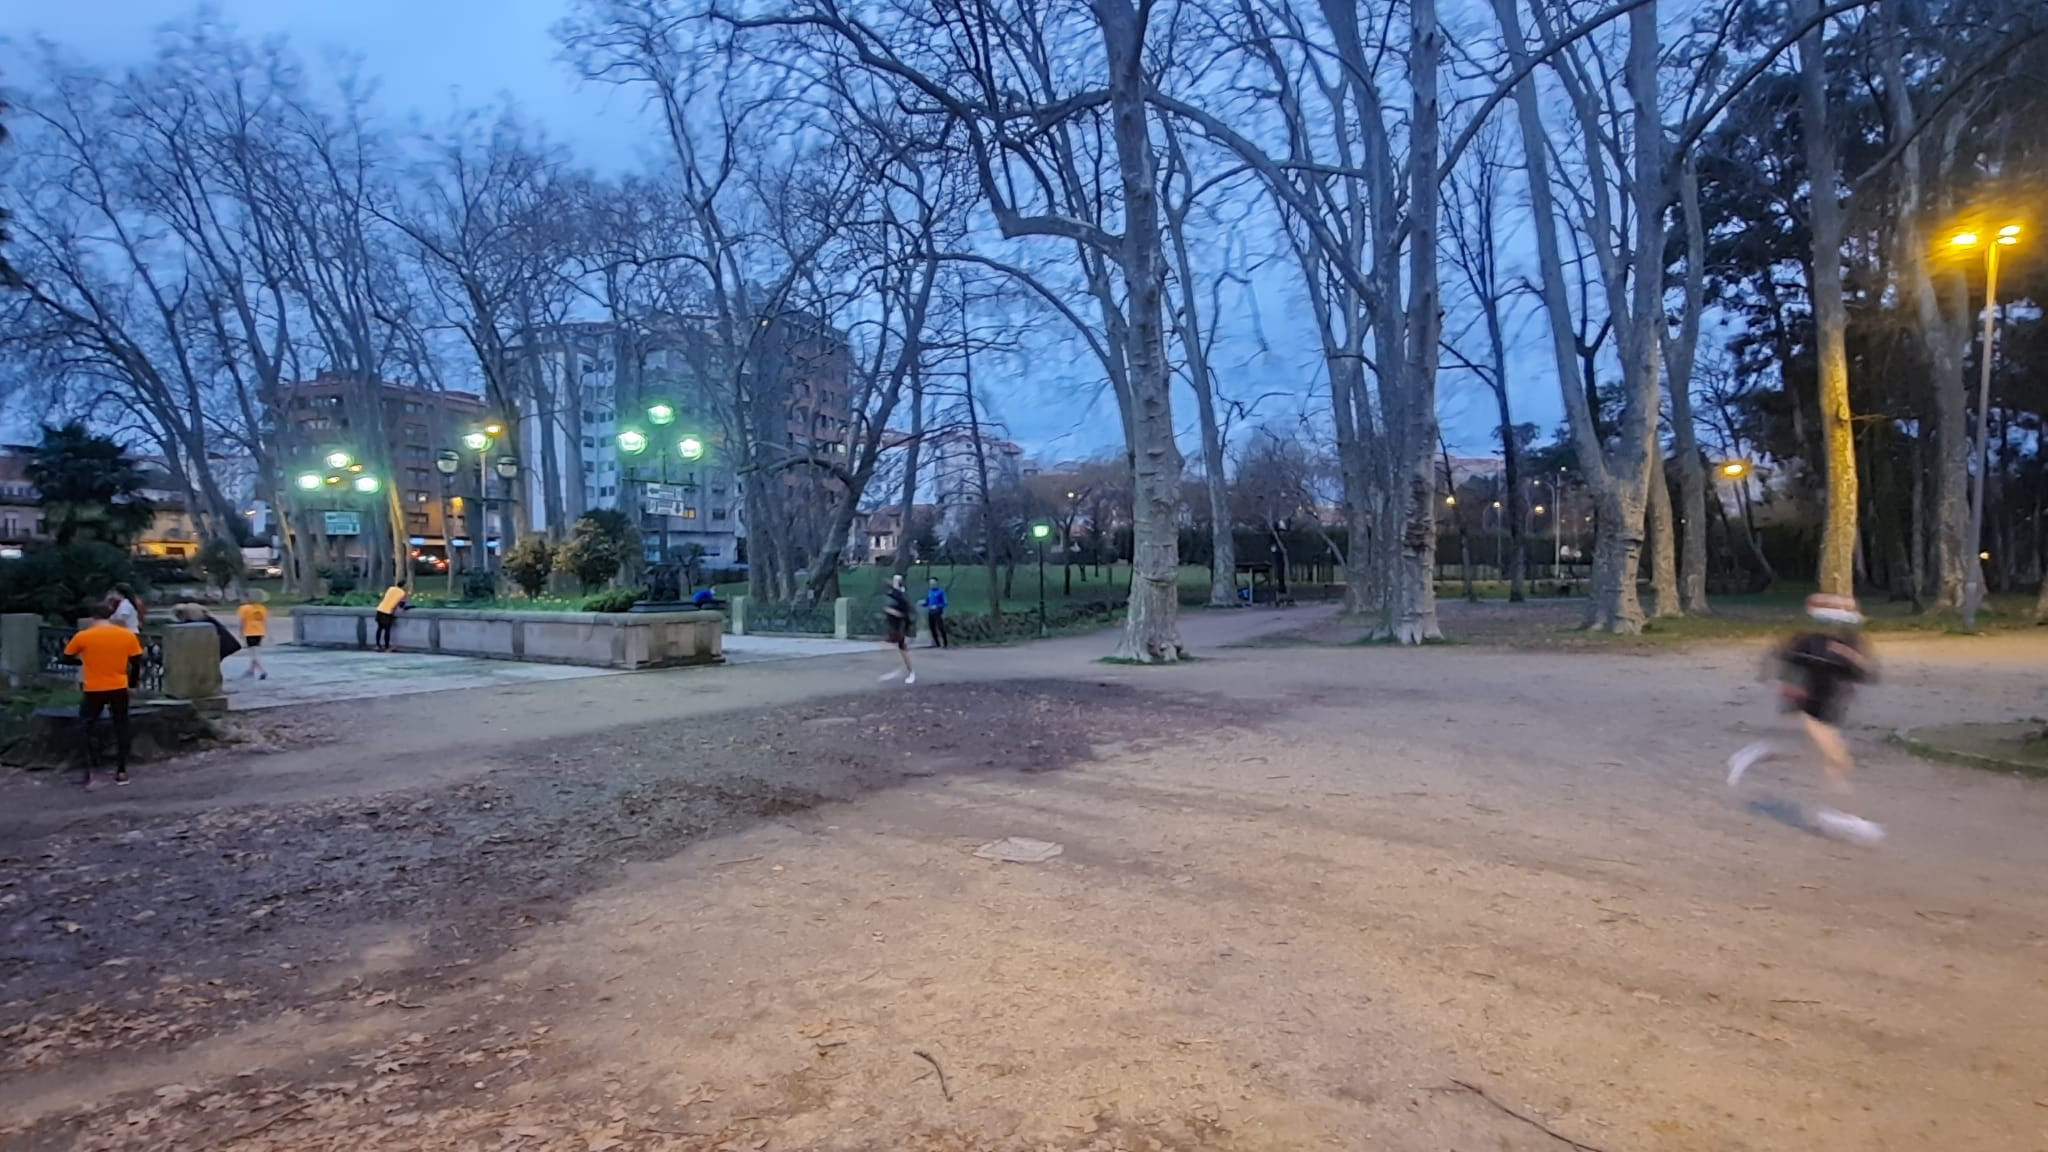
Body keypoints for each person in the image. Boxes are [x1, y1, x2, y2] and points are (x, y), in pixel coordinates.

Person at [1726, 592, 1884, 843]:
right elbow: (1776, 661)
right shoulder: (1808, 642)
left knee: (1807, 755)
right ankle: (1845, 817)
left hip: (1832, 710)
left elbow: (1869, 675)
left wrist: (1855, 658)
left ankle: (1755, 754)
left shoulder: (1852, 643)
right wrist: (1783, 684)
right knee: (1837, 761)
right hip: (1810, 709)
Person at [63, 603, 145, 789]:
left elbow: (66, 658)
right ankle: (121, 771)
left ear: (93, 617)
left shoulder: (83, 636)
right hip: (119, 686)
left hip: (94, 687)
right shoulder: (126, 635)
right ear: (111, 616)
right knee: (121, 725)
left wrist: (85, 661)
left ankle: (90, 770)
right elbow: (136, 662)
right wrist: (131, 683)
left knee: (85, 726)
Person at [880, 572, 916, 685]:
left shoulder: (902, 596)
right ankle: (898, 669)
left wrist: (892, 612)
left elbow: (905, 614)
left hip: (902, 627)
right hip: (894, 626)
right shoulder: (894, 593)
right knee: (887, 647)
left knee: (903, 650)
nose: (893, 581)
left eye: (895, 580)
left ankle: (911, 673)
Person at [236, 590, 269, 680]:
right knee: (255, 651)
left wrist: (241, 632)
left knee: (253, 654)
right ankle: (251, 670)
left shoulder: (244, 608)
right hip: (260, 631)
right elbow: (264, 621)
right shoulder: (262, 608)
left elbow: (242, 621)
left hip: (249, 632)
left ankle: (262, 671)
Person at [374, 580, 409, 652]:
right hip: (388, 612)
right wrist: (409, 607)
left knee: (379, 628)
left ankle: (378, 645)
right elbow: (401, 606)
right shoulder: (402, 593)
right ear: (404, 586)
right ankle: (387, 647)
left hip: (380, 609)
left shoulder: (390, 588)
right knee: (387, 630)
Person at [922, 577, 950, 649]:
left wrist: (937, 606)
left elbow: (945, 602)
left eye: (933, 583)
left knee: (940, 627)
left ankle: (945, 643)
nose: (932, 584)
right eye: (931, 583)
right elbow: (928, 601)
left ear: (936, 583)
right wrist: (923, 604)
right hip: (930, 612)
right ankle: (937, 643)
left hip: (937, 612)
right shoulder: (930, 592)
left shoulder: (941, 592)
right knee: (932, 628)